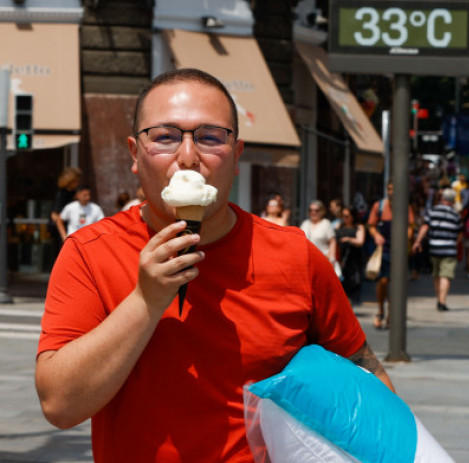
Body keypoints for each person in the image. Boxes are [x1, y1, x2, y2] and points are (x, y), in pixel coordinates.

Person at [35, 68, 393, 463]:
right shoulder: (89, 251)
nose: (188, 157)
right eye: (165, 137)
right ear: (135, 155)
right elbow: (60, 405)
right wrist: (145, 300)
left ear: (237, 155)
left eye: (209, 137)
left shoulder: (295, 255)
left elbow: (366, 376)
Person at [367, 181, 414, 330]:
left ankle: (391, 315)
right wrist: (376, 236)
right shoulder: (379, 206)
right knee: (383, 280)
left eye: (394, 189)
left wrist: (405, 240)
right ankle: (381, 310)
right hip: (384, 247)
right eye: (389, 189)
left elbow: (411, 227)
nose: (391, 192)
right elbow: (371, 225)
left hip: (398, 249)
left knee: (396, 284)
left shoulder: (405, 207)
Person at [411, 188, 462, 312]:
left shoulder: (432, 211)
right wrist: (455, 243)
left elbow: (425, 227)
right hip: (449, 249)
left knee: (437, 275)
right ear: (453, 201)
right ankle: (442, 301)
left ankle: (439, 298)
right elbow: (460, 234)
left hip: (434, 247)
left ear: (441, 198)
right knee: (446, 275)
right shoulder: (456, 215)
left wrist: (417, 241)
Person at [336, 206, 365, 307]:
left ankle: (350, 303)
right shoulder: (339, 226)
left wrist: (349, 239)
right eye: (343, 216)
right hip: (341, 258)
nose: (344, 218)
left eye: (347, 216)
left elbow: (360, 241)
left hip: (354, 259)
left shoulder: (359, 227)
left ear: (352, 216)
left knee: (353, 282)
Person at [49, 166, 81, 255]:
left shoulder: (74, 193)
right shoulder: (62, 194)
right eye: (76, 181)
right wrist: (64, 234)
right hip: (61, 231)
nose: (77, 183)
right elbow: (55, 215)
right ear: (70, 181)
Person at [300, 199, 337, 264]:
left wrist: (332, 258)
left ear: (322, 211)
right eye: (311, 210)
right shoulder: (305, 224)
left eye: (316, 210)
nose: (313, 212)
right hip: (307, 260)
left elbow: (332, 242)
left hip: (323, 260)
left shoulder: (326, 223)